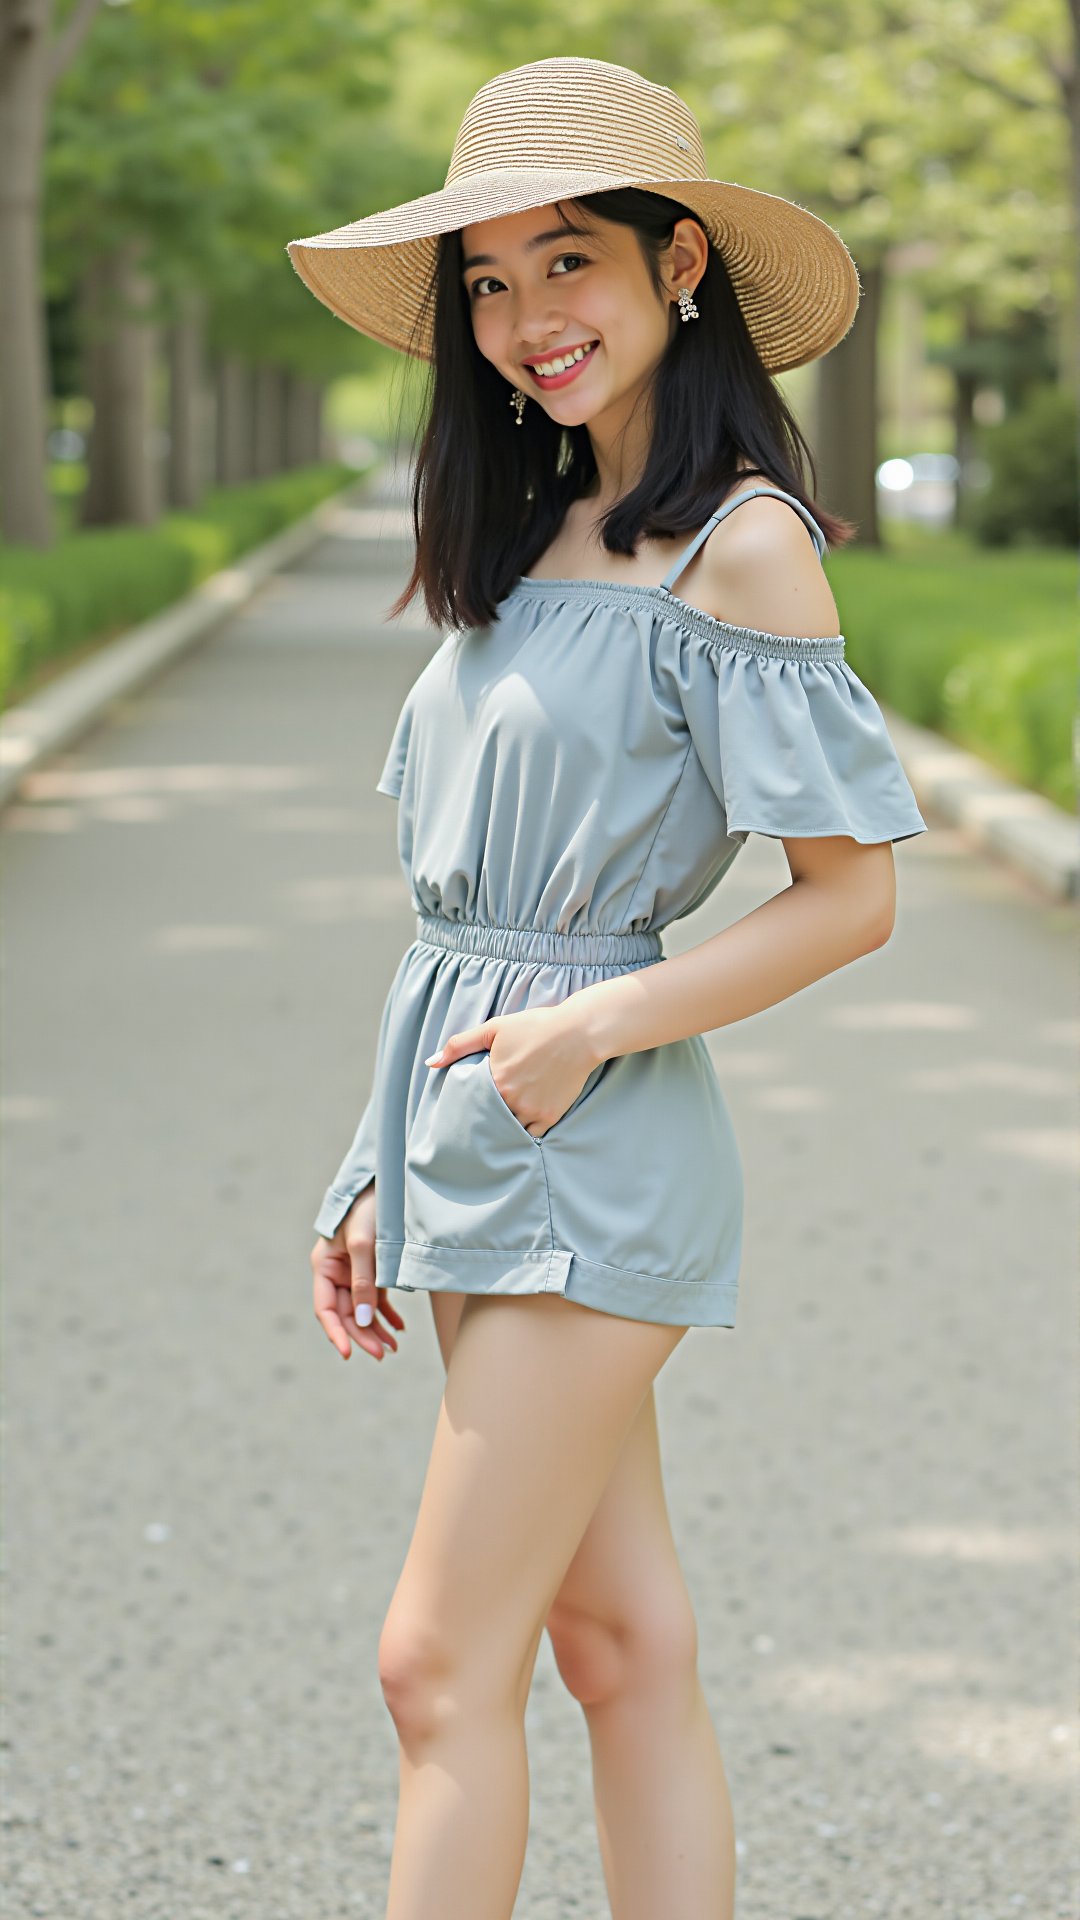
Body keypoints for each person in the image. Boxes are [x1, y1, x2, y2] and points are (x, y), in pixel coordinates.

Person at [288, 55, 928, 1920]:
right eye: (486, 284)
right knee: (618, 1646)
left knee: (433, 1665)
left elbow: (850, 900)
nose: (522, 322)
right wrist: (367, 1159)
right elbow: (454, 924)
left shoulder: (743, 549)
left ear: (684, 268)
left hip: (589, 1145)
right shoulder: (534, 530)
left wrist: (590, 1027)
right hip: (476, 1130)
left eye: (566, 264)